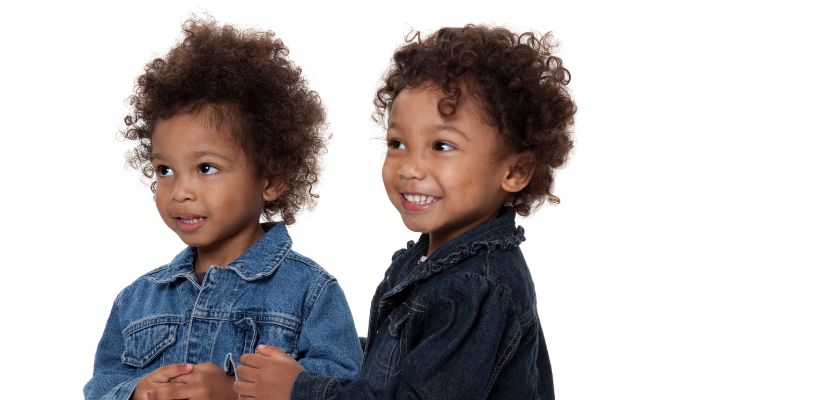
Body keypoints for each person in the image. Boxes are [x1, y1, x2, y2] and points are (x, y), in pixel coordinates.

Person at [235, 24, 576, 400]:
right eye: (397, 143)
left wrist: (300, 389)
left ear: (515, 171)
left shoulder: (475, 288)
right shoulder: (427, 260)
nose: (409, 168)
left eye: (441, 145)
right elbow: (398, 367)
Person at [83, 16, 363, 400]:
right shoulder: (136, 301)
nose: (180, 191)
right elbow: (100, 388)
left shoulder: (310, 295)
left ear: (271, 179)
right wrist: (134, 393)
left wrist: (235, 393)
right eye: (165, 170)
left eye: (206, 168)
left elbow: (344, 393)